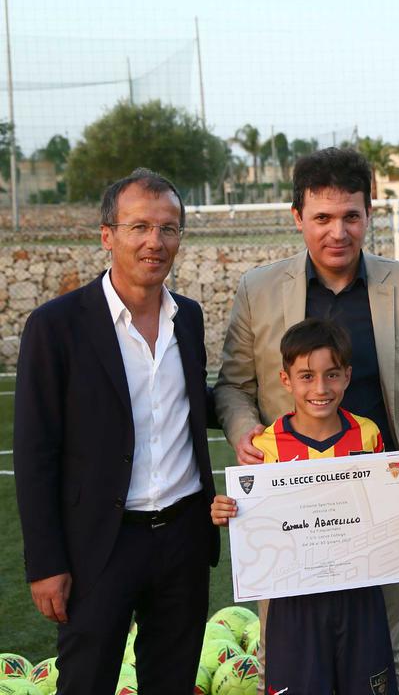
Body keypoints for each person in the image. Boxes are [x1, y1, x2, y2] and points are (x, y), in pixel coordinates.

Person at [215, 146, 399, 686]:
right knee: (291, 665)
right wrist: (246, 433)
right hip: (290, 513)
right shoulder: (258, 290)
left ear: (369, 214)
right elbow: (233, 386)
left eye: (350, 216)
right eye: (321, 217)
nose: (337, 232)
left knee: (378, 657)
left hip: (377, 510)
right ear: (298, 217)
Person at [14, 169, 219, 694]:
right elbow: (35, 454)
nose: (156, 241)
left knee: (171, 682)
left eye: (168, 228)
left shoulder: (188, 318)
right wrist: (45, 563)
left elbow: (196, 404)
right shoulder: (56, 326)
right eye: (140, 227)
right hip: (99, 545)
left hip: (183, 538)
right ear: (108, 235)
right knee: (85, 682)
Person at [212, 318, 399, 694]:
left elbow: (385, 509)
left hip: (360, 596)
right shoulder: (266, 446)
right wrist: (230, 512)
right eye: (307, 376)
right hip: (294, 605)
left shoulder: (368, 435)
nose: (320, 388)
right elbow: (256, 522)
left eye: (332, 375)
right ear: (286, 380)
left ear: (347, 376)